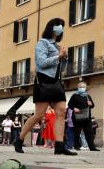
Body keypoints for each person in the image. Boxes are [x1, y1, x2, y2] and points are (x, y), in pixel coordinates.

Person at [15, 18, 75, 155]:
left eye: (62, 26)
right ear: (51, 27)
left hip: (56, 82)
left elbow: (62, 69)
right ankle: (19, 140)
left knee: (61, 112)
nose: (60, 28)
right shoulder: (42, 43)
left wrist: (64, 58)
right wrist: (58, 57)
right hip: (43, 82)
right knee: (39, 115)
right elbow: (41, 63)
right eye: (58, 25)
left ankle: (59, 146)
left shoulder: (57, 46)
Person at [68, 82, 99, 151]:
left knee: (89, 132)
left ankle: (92, 147)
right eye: (80, 87)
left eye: (83, 87)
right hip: (77, 117)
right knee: (77, 132)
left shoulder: (88, 96)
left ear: (85, 88)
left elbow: (93, 105)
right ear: (78, 87)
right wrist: (74, 108)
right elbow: (70, 104)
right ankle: (77, 146)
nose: (82, 88)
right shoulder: (74, 95)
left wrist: (90, 104)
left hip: (87, 117)